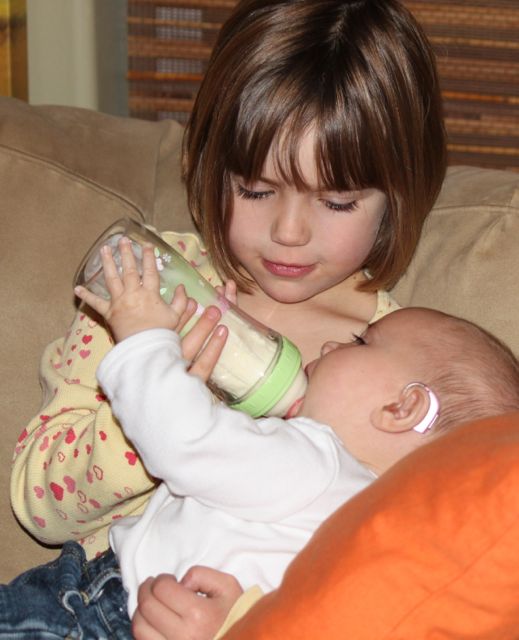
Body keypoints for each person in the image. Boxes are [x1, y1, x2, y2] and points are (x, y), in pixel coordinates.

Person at [11, 0, 446, 577]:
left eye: (337, 202)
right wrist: (153, 407)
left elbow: (391, 557)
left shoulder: (396, 361)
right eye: (256, 191)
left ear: (400, 194)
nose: (289, 233)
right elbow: (40, 508)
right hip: (96, 594)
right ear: (210, 166)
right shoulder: (145, 284)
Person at [2, 241, 518, 640]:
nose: (333, 344)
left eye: (362, 342)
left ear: (403, 408)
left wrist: (144, 338)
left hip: (95, 614)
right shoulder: (366, 533)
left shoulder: (320, 462)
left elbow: (183, 439)